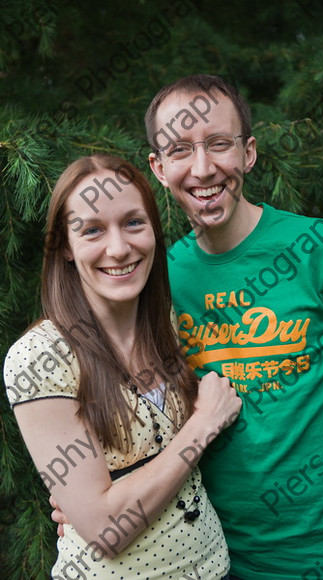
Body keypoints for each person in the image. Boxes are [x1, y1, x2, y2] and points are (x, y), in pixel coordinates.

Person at [144, 74, 323, 579]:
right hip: (212, 559)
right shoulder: (160, 280)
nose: (203, 168)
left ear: (248, 153)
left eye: (219, 145)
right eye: (180, 150)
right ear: (159, 168)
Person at [3, 154, 241, 579]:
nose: (119, 247)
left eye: (133, 222)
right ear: (65, 249)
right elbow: (106, 527)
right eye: (93, 230)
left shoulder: (163, 323)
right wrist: (203, 424)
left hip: (213, 567)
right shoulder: (40, 357)